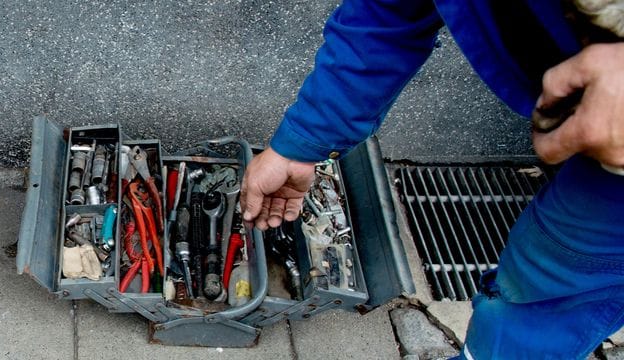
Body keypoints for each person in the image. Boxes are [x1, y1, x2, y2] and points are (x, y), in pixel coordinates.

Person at [240, 1, 624, 358]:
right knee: (532, 297)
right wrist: (301, 144)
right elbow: (387, 14)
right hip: (593, 141)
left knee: (547, 303)